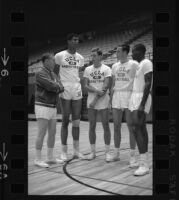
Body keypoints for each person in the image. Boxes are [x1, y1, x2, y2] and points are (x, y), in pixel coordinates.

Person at [55, 33, 86, 161]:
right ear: (68, 41)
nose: (76, 41)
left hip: (76, 87)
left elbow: (78, 73)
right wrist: (60, 84)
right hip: (65, 87)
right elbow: (55, 73)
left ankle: (76, 151)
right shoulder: (60, 55)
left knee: (77, 121)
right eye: (74, 39)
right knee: (65, 120)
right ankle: (63, 152)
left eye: (77, 40)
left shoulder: (81, 57)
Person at [108, 45, 139, 167]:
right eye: (116, 51)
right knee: (116, 126)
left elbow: (137, 81)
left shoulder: (133, 64)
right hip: (117, 96)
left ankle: (132, 156)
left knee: (131, 126)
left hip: (128, 95)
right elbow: (113, 84)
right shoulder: (114, 66)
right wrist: (110, 99)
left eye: (119, 51)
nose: (117, 53)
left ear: (126, 52)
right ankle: (116, 154)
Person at [34, 53, 64, 168]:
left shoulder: (54, 74)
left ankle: (50, 157)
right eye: (52, 60)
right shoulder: (40, 73)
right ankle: (37, 159)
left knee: (52, 132)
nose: (54, 62)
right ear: (46, 61)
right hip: (42, 105)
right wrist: (57, 86)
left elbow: (61, 87)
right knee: (42, 133)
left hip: (52, 106)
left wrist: (57, 85)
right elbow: (51, 86)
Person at [83, 47, 113, 162]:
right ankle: (93, 152)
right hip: (91, 99)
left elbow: (105, 87)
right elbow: (85, 85)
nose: (93, 57)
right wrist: (96, 91)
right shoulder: (87, 69)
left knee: (106, 125)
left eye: (94, 55)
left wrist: (95, 100)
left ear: (100, 56)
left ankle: (107, 153)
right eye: (92, 56)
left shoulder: (107, 69)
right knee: (92, 126)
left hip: (103, 100)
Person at [129, 44, 153, 176]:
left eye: (134, 51)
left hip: (141, 98)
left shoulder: (146, 62)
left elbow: (148, 82)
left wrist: (142, 104)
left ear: (141, 52)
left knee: (136, 128)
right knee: (141, 128)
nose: (132, 54)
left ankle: (144, 165)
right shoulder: (139, 65)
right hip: (135, 96)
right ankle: (145, 160)